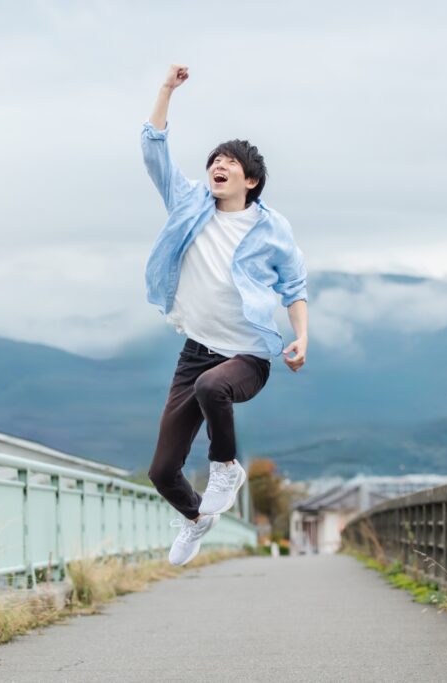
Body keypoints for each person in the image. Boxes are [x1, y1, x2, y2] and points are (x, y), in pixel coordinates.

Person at [142, 64, 309, 565]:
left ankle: (225, 467)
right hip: (195, 352)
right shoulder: (188, 203)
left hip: (248, 355)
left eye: (230, 162)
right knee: (162, 472)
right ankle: (197, 518)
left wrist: (301, 337)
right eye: (214, 159)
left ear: (250, 179)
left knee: (213, 388)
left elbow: (295, 286)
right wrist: (166, 90)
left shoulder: (272, 229)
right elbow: (155, 150)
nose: (218, 164)